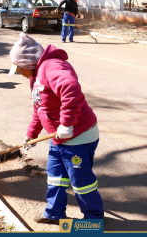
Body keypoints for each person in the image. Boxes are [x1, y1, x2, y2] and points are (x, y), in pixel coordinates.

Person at [9, 32, 104, 224]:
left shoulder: (51, 67)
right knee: (55, 178)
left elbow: (70, 88)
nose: (18, 73)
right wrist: (31, 134)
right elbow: (40, 108)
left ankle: (93, 218)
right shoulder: (35, 76)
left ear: (28, 63)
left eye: (18, 69)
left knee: (81, 181)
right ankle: (54, 214)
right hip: (59, 138)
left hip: (78, 136)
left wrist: (67, 123)